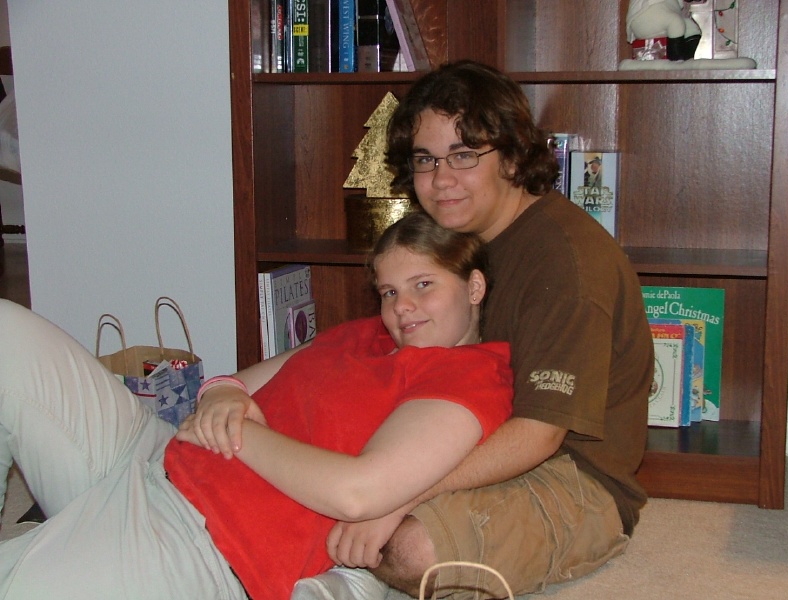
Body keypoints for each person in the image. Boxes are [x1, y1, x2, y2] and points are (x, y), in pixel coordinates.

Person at [0, 212, 514, 600]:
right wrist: (222, 394)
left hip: (207, 544)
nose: (401, 307)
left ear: (473, 286)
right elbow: (234, 384)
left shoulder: (470, 378)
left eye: (423, 285)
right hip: (153, 460)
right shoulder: (366, 335)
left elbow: (357, 493)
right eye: (388, 291)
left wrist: (238, 433)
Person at [315, 60, 655, 599]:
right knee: (325, 479)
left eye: (464, 155)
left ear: (513, 158)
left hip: (571, 476)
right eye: (425, 159)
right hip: (465, 430)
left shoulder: (566, 264)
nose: (440, 179)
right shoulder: (458, 242)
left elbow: (539, 435)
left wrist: (398, 495)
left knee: (409, 548)